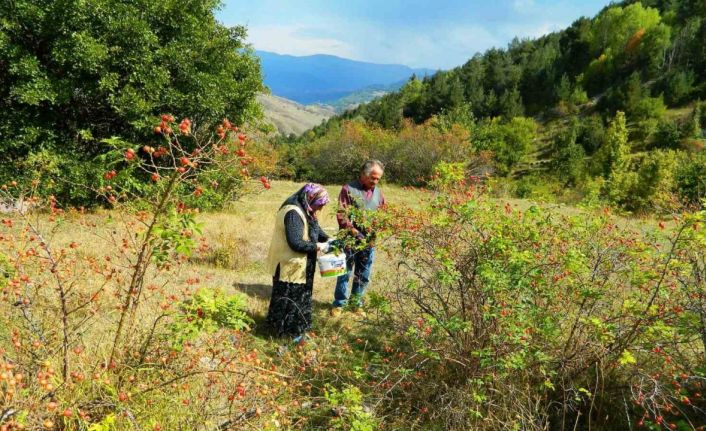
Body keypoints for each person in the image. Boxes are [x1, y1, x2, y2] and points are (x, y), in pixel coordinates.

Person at [266, 183, 332, 340]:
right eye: (319, 205)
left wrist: (329, 240)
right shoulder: (293, 213)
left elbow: (316, 230)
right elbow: (295, 242)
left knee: (299, 297)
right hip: (288, 264)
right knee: (289, 299)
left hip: (298, 264)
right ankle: (287, 335)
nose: (320, 209)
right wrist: (319, 246)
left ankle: (295, 331)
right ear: (310, 198)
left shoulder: (306, 209)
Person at [331, 160, 386, 316]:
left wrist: (377, 229)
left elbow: (383, 214)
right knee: (345, 272)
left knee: (363, 273)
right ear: (363, 175)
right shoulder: (348, 189)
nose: (375, 182)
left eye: (378, 179)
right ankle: (339, 304)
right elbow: (342, 214)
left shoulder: (379, 193)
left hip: (369, 241)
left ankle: (356, 304)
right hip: (349, 239)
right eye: (372, 178)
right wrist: (354, 231)